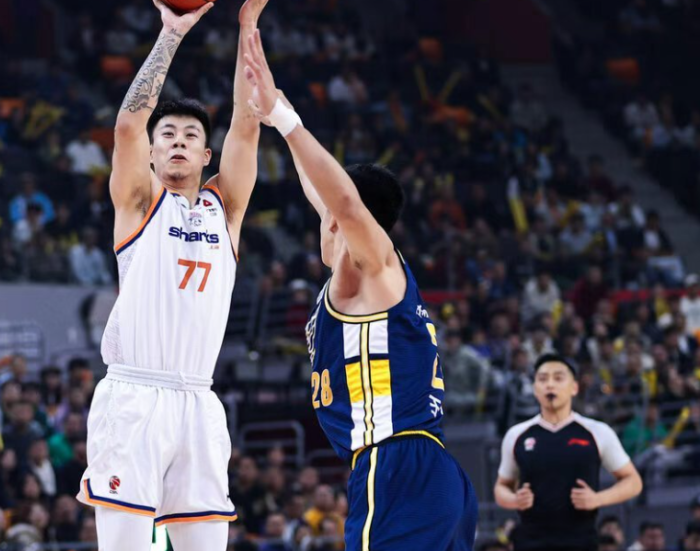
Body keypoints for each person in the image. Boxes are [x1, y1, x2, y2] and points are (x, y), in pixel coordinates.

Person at [239, 28, 477, 550]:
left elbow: (342, 203)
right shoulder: (364, 270)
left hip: (397, 463)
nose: (321, 219)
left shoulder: (375, 264)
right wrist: (279, 110)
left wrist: (284, 119)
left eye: (330, 215)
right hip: (423, 466)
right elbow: (325, 194)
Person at [77, 0, 286, 551]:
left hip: (198, 399)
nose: (176, 141)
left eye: (190, 136)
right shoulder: (139, 203)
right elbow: (127, 125)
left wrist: (248, 28)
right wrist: (171, 34)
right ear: (151, 153)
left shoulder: (226, 209)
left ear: (205, 156)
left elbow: (247, 124)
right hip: (133, 396)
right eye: (166, 134)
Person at [494, 354, 643, 551]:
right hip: (530, 542)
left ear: (574, 387)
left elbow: (633, 482)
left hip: (581, 542)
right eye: (543, 379)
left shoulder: (597, 431)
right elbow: (501, 488)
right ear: (535, 389)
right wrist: (514, 499)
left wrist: (598, 499)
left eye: (558, 378)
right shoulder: (517, 435)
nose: (550, 385)